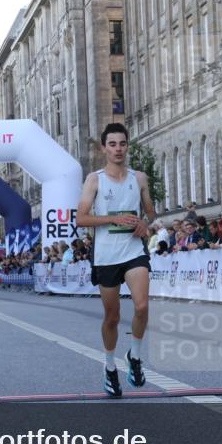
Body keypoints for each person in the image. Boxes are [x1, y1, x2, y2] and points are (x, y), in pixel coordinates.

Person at [76, 122, 156, 398]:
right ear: (104, 148)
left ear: (127, 146)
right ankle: (110, 367)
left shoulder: (140, 178)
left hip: (133, 250)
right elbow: (81, 218)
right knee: (112, 317)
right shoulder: (94, 180)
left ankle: (134, 356)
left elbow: (151, 213)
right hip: (106, 255)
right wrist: (112, 218)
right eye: (112, 144)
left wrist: (146, 223)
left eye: (122, 143)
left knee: (142, 306)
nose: (118, 149)